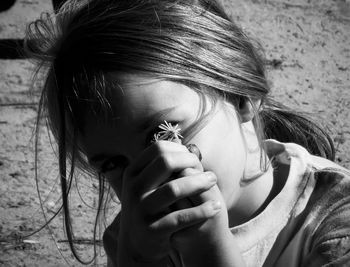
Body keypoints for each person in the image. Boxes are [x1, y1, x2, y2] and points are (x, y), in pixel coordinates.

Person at [25, 0, 350, 266]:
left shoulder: (335, 223)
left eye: (164, 134)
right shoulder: (134, 237)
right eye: (113, 163)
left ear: (240, 99)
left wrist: (209, 255)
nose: (150, 175)